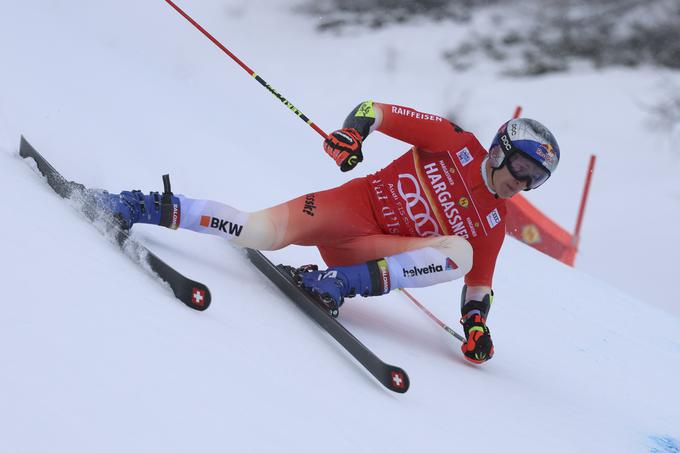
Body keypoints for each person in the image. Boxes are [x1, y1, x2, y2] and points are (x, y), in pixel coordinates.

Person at [93, 101, 560, 364]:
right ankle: (144, 205)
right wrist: (352, 135)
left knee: (458, 252)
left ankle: (335, 284)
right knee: (256, 230)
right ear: (500, 150)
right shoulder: (454, 142)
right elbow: (374, 109)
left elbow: (478, 285)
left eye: (534, 179)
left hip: (364, 257)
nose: (521, 182)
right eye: (521, 167)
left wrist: (476, 327)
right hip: (348, 209)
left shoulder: (492, 224)